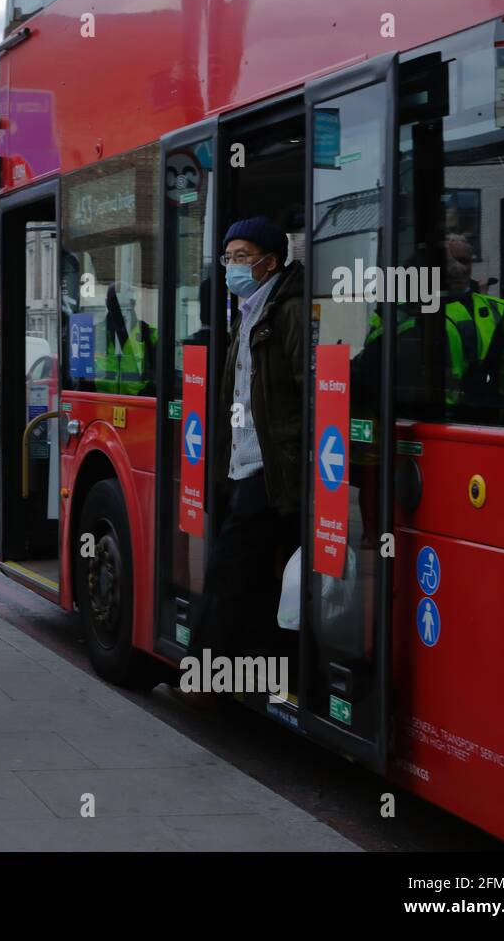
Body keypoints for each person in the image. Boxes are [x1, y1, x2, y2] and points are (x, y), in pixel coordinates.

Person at [186, 216, 305, 683]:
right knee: (255, 574)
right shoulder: (248, 310)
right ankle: (265, 664)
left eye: (241, 258)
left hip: (271, 466)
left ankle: (207, 681)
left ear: (269, 263)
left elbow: (305, 386)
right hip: (244, 464)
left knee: (228, 570)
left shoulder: (287, 311)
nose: (231, 266)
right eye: (227, 257)